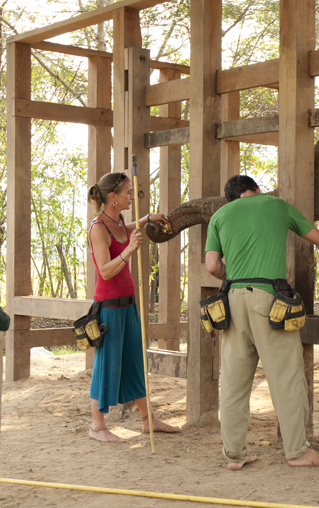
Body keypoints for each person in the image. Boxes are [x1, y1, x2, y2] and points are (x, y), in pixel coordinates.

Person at [205, 175, 319, 470]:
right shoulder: (277, 205)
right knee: (287, 377)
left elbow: (212, 266)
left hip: (232, 302)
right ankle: (297, 451)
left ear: (233, 199)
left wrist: (236, 277)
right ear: (257, 190)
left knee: (234, 383)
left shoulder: (220, 216)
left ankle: (235, 455)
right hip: (268, 300)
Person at [87, 171, 181, 443]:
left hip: (128, 306)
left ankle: (147, 419)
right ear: (113, 198)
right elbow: (104, 271)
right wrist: (129, 251)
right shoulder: (97, 228)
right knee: (107, 365)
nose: (132, 196)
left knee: (135, 363)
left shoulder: (117, 220)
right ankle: (96, 426)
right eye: (128, 192)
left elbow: (124, 231)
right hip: (109, 309)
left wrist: (147, 219)